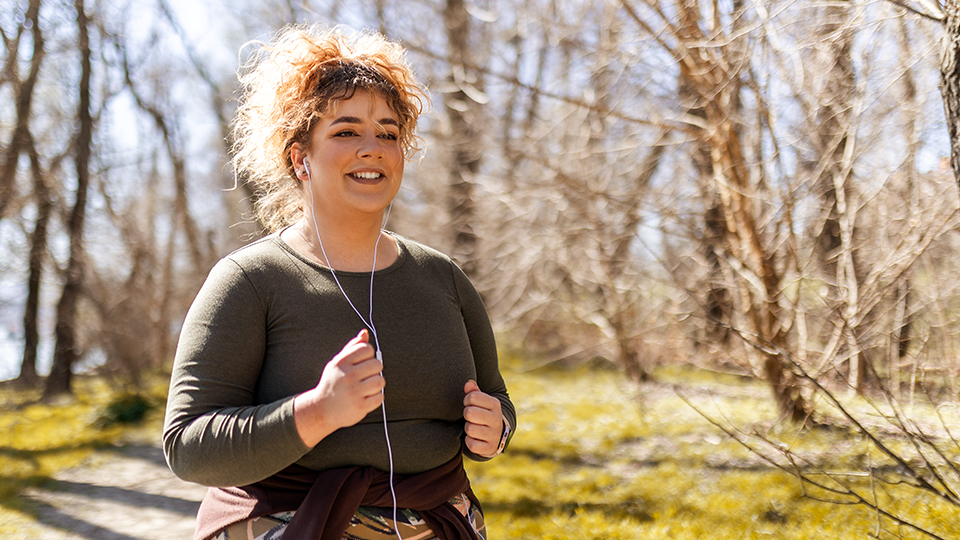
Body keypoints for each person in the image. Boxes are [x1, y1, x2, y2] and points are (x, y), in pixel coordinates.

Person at [162, 24, 515, 540]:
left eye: (389, 133)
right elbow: (188, 446)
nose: (372, 148)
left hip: (440, 522)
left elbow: (497, 398)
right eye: (346, 131)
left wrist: (495, 429)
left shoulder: (444, 279)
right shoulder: (249, 281)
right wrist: (318, 411)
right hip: (294, 523)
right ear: (299, 157)